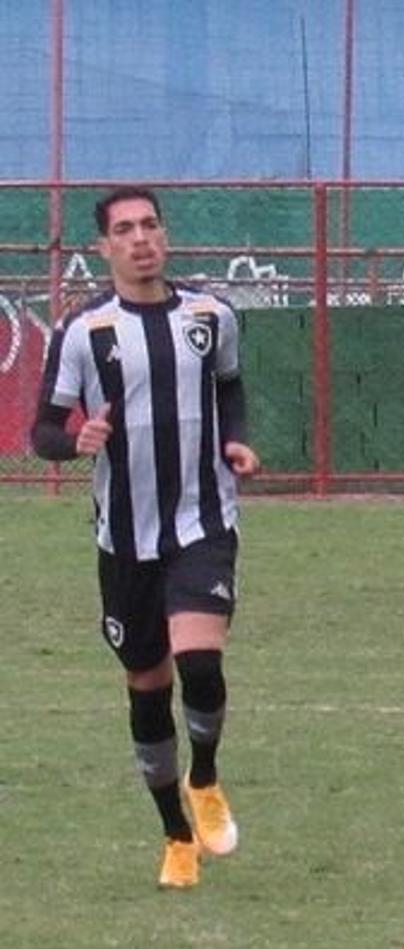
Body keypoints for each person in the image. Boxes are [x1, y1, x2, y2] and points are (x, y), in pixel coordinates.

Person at [32, 186, 258, 890]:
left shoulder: (210, 314)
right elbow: (43, 431)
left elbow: (230, 389)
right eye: (124, 230)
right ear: (104, 247)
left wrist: (237, 442)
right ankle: (174, 834)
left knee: (200, 664)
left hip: (202, 522)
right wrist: (77, 442)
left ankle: (208, 777)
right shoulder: (84, 331)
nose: (140, 239)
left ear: (165, 235)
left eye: (150, 225)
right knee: (147, 684)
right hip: (124, 538)